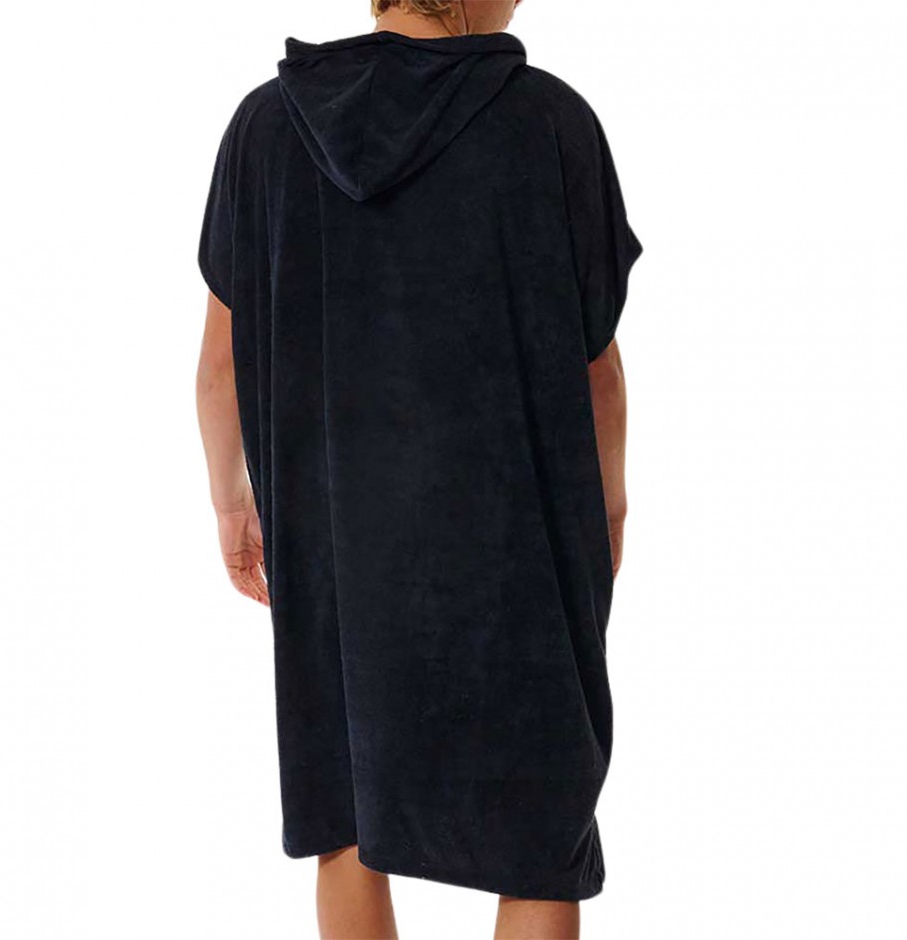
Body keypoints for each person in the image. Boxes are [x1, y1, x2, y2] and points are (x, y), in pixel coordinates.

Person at [195, 1, 642, 936]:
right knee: (541, 840)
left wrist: (232, 502)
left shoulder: (265, 128)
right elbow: (597, 369)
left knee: (349, 818)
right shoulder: (549, 121)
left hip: (333, 542)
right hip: (518, 538)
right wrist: (609, 507)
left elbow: (221, 363)